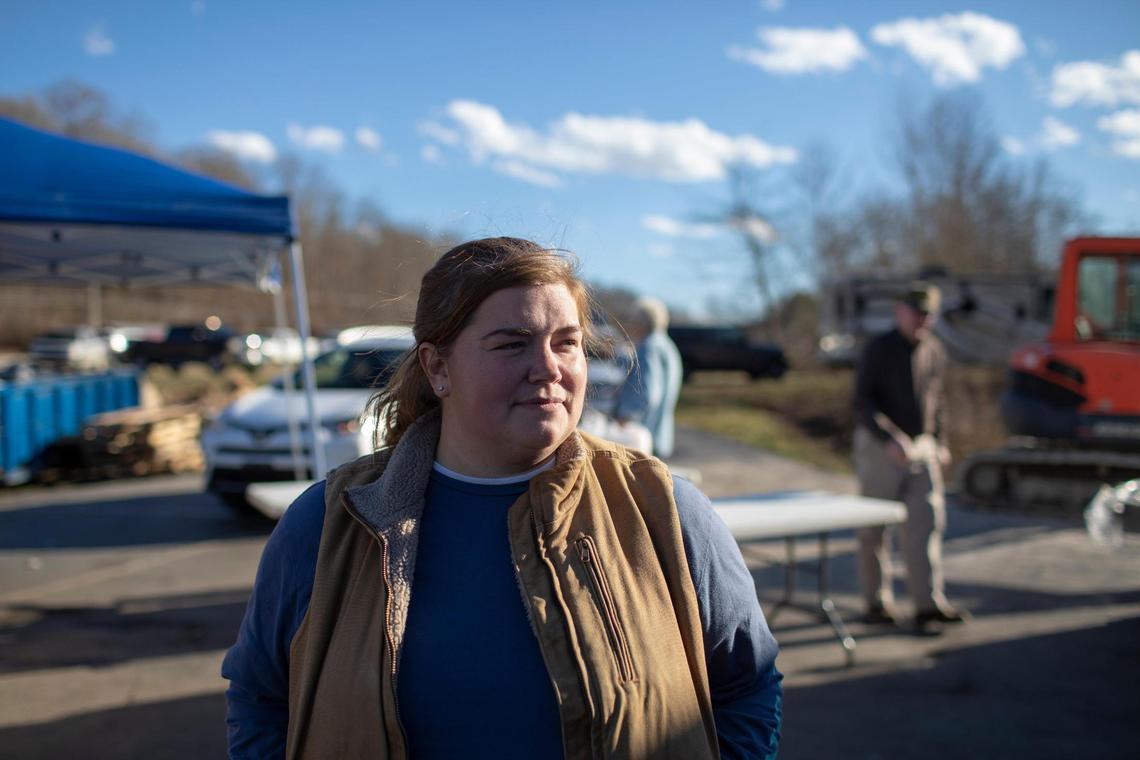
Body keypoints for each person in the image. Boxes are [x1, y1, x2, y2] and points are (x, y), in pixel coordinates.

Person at [222, 237, 782, 759]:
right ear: (438, 367)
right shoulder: (328, 522)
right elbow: (261, 698)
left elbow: (746, 684)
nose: (548, 369)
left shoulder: (663, 509)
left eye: (567, 343)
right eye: (512, 344)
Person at [853, 282, 967, 635]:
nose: (921, 320)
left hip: (922, 449)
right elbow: (862, 402)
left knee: (926, 524)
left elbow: (938, 401)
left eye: (928, 314)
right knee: (875, 529)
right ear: (899, 312)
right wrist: (890, 437)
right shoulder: (879, 348)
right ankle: (876, 603)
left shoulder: (934, 350)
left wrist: (940, 441)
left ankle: (927, 605)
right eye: (915, 313)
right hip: (881, 449)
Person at [612, 297, 684, 458]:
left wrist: (626, 415)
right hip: (661, 432)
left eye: (634, 320)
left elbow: (647, 391)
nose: (631, 326)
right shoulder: (667, 345)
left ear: (643, 322)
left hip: (645, 433)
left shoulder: (648, 347)